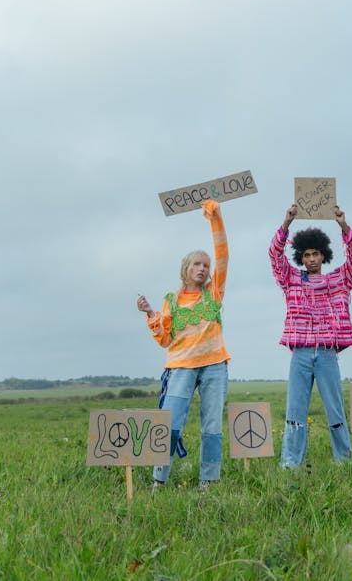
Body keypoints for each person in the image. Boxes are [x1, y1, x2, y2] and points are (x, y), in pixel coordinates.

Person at [137, 199, 230, 490]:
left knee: (212, 428)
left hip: (215, 365)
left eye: (206, 265)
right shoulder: (171, 301)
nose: (203, 268)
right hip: (180, 368)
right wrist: (151, 316)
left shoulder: (214, 292)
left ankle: (208, 483)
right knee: (171, 426)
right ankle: (159, 481)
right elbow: (165, 339)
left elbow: (223, 253)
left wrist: (215, 218)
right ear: (186, 268)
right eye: (197, 264)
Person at [269, 203, 352, 468]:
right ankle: (290, 463)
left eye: (316, 254)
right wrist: (286, 223)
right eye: (307, 255)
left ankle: (344, 461)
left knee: (335, 409)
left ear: (324, 256)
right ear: (301, 257)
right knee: (295, 411)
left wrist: (343, 226)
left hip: (326, 353)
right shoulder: (291, 280)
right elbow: (275, 257)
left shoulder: (339, 280)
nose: (311, 259)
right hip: (300, 353)